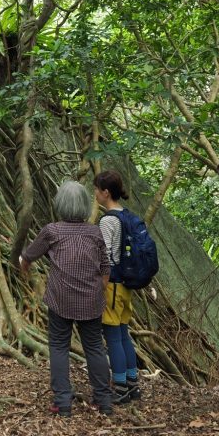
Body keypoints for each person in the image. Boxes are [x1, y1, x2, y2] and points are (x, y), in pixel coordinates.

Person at [20, 180, 114, 417]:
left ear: (60, 204)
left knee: (59, 347)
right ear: (84, 205)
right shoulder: (94, 232)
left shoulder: (52, 230)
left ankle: (63, 402)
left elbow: (27, 257)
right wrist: (98, 290)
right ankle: (104, 401)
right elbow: (105, 268)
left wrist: (24, 271)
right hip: (91, 301)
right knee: (94, 347)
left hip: (60, 299)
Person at [94, 168, 142, 404]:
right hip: (126, 286)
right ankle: (133, 385)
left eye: (96, 189)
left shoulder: (108, 221)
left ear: (105, 192)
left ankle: (121, 388)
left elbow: (103, 257)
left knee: (113, 337)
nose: (94, 194)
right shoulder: (128, 216)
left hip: (111, 285)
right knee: (124, 335)